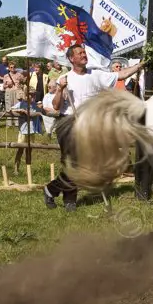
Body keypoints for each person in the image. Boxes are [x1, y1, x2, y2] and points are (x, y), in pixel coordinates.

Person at [43, 44, 142, 212]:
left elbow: (122, 74)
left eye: (84, 52)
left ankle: (51, 189)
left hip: (89, 123)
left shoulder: (95, 75)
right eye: (79, 53)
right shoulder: (65, 78)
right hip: (68, 122)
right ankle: (70, 201)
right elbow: (56, 106)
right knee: (73, 162)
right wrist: (60, 89)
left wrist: (141, 64)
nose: (84, 55)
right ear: (71, 58)